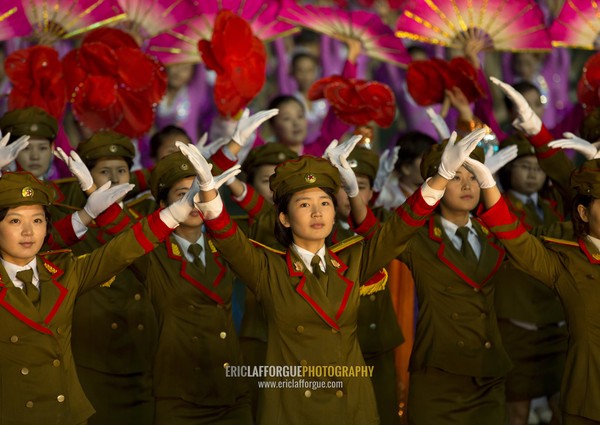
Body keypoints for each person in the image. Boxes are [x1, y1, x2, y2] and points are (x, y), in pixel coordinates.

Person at [177, 126, 483, 425]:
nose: (317, 213)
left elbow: (400, 227)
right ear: (283, 217)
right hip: (294, 404)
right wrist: (209, 197)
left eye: (324, 203)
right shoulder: (267, 267)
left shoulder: (353, 258)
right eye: (304, 204)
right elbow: (230, 242)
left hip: (351, 402)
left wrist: (442, 176)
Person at [0, 168, 195, 424]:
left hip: (66, 414)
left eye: (37, 220)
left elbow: (119, 252)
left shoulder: (64, 272)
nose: (28, 232)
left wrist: (172, 215)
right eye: (15, 221)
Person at [465, 137, 600, 425]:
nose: (531, 174)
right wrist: (488, 186)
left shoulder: (552, 212)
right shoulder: (567, 259)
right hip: (589, 395)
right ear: (583, 213)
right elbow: (519, 243)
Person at [494, 134, 568, 425]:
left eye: (538, 167)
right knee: (516, 409)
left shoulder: (555, 209)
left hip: (557, 321)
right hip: (518, 322)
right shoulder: (499, 207)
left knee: (564, 405)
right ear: (508, 170)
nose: (533, 172)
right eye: (525, 166)